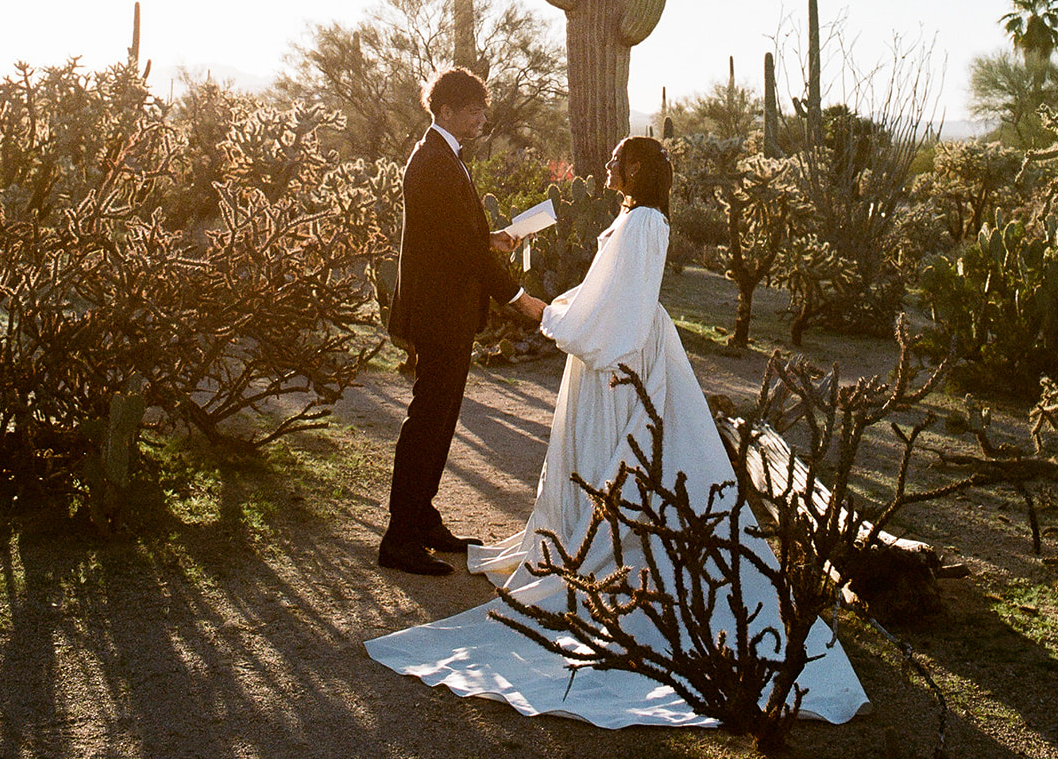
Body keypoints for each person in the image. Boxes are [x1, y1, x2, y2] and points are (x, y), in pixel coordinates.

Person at [367, 135, 868, 728]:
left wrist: (544, 312)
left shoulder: (643, 223)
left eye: (615, 159)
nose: (605, 165)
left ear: (634, 169)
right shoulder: (635, 217)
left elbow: (621, 312)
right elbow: (607, 294)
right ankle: (583, 535)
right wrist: (558, 310)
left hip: (620, 359)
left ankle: (608, 550)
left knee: (627, 460)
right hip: (614, 345)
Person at [378, 67, 547, 577]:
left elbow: (451, 234)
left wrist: (490, 237)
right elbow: (456, 251)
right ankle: (399, 538)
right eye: (472, 108)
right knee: (428, 419)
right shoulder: (433, 159)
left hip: (446, 310)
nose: (480, 117)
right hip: (438, 311)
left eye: (481, 108)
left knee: (440, 417)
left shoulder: (442, 155)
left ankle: (421, 518)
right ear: (445, 109)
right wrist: (519, 298)